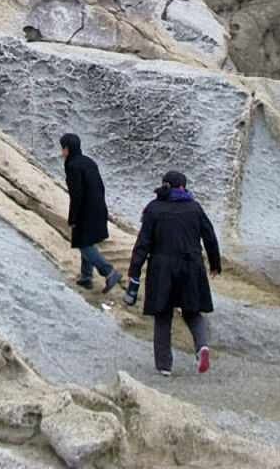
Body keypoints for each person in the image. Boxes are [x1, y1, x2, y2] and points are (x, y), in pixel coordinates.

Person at [122, 170, 221, 376]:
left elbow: (143, 244)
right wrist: (214, 264)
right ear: (183, 187)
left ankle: (164, 366)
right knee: (193, 312)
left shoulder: (153, 209)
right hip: (191, 265)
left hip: (161, 268)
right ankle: (201, 346)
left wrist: (135, 271)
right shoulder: (194, 208)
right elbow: (209, 236)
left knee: (163, 315)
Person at [59, 133, 122, 293]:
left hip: (85, 211)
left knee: (83, 243)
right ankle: (86, 278)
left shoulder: (72, 166)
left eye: (63, 148)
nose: (62, 152)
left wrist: (73, 217)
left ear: (68, 148)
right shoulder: (88, 161)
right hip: (98, 207)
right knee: (87, 240)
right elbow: (100, 186)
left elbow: (77, 195)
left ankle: (108, 272)